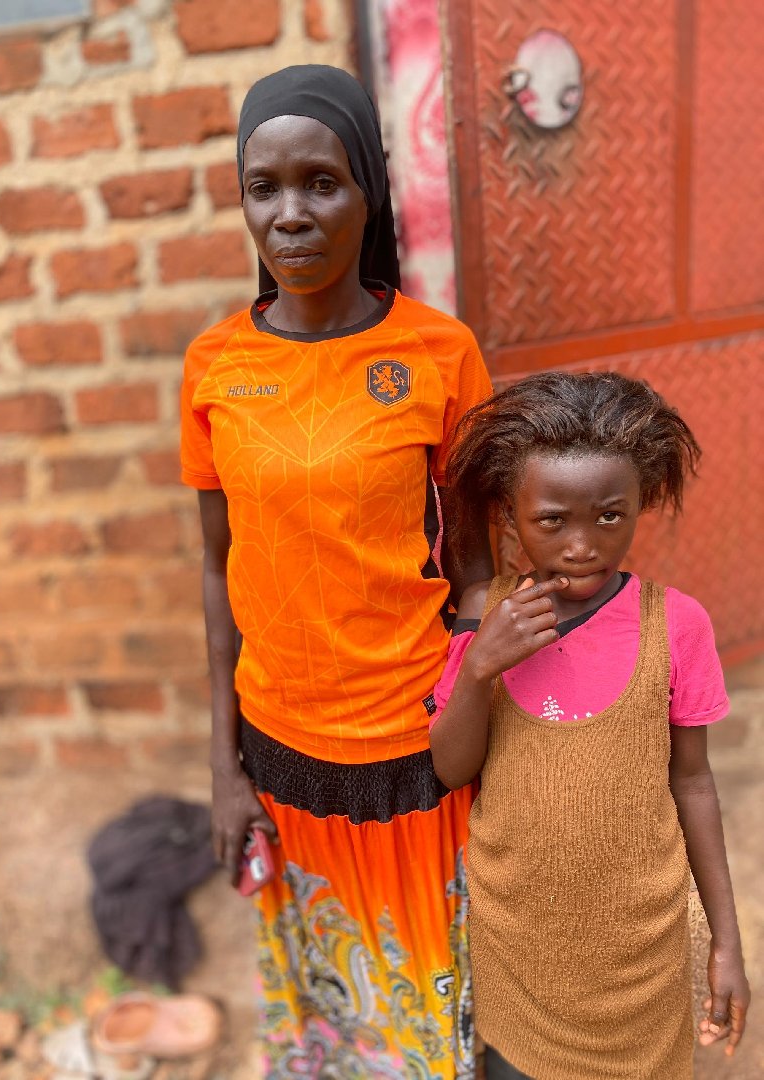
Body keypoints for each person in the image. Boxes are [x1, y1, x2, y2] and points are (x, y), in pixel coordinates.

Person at [180, 65, 493, 1077]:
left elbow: (477, 568)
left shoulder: (440, 353)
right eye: (263, 188)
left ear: (370, 192)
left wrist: (479, 724)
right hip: (280, 753)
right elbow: (217, 573)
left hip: (414, 752)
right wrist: (223, 767)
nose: (292, 214)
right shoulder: (214, 367)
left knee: (433, 1003)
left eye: (322, 182)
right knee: (326, 1010)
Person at [429, 371, 750, 1080]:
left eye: (610, 516)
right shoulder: (486, 612)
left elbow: (694, 783)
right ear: (510, 515)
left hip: (641, 951)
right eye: (553, 521)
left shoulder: (676, 624)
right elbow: (451, 769)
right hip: (518, 947)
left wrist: (726, 943)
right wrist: (480, 667)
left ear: (641, 502)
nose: (583, 545)